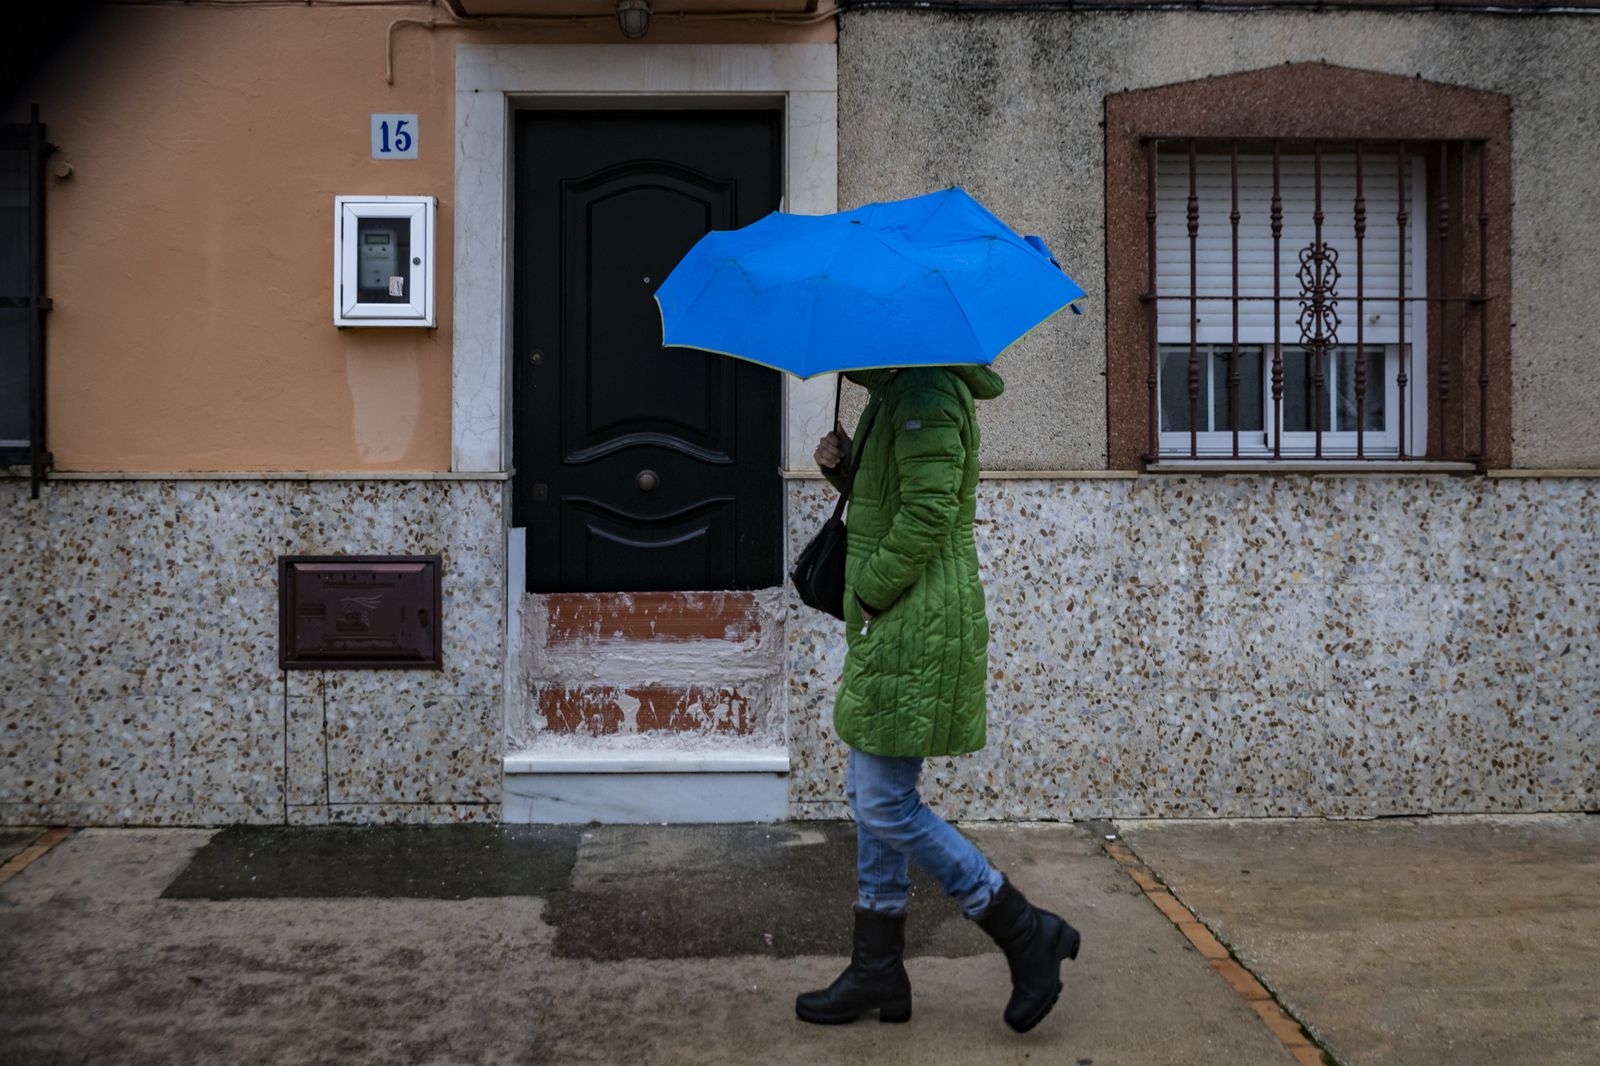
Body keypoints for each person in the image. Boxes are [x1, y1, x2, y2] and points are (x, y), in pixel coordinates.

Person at [795, 364, 1081, 1034]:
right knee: (875, 791)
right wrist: (845, 467)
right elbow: (902, 495)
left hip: (913, 615)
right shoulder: (900, 393)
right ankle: (878, 970)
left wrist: (869, 590)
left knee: (884, 801)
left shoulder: (924, 390)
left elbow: (929, 512)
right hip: (900, 614)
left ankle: (1022, 927)